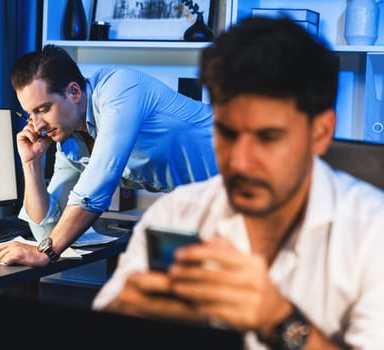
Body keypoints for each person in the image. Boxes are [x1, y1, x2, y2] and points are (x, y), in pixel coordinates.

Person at [92, 16, 384, 350]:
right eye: (227, 133)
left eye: (268, 138)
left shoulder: (373, 234)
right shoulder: (178, 213)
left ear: (320, 133)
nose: (239, 162)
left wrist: (280, 322)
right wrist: (128, 310)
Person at [0, 44, 218, 267]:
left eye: (43, 109)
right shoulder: (71, 144)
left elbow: (99, 182)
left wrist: (46, 253)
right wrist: (31, 163)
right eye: (30, 114)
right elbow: (48, 231)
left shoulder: (119, 88)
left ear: (73, 92)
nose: (38, 125)